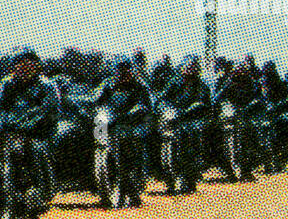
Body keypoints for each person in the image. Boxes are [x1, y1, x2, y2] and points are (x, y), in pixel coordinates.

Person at [0, 47, 61, 219]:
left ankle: (38, 190)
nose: (24, 67)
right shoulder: (7, 84)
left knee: (33, 148)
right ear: (13, 67)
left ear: (36, 66)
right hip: (13, 129)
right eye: (19, 64)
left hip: (40, 132)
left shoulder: (47, 85)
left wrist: (28, 125)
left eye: (28, 63)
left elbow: (48, 111)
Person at [87, 58, 154, 206]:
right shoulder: (108, 84)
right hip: (111, 124)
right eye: (120, 70)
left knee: (130, 157)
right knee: (98, 128)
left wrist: (135, 113)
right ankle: (100, 182)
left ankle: (132, 190)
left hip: (133, 125)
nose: (124, 73)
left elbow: (146, 105)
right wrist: (91, 103)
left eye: (127, 70)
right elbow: (96, 98)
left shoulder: (140, 85)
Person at [159, 56, 211, 192]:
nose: (190, 69)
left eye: (193, 67)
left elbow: (205, 103)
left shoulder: (201, 85)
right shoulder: (174, 82)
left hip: (192, 120)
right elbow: (162, 98)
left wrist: (195, 109)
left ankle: (190, 179)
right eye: (188, 66)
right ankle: (168, 179)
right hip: (175, 119)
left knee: (192, 148)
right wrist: (165, 108)